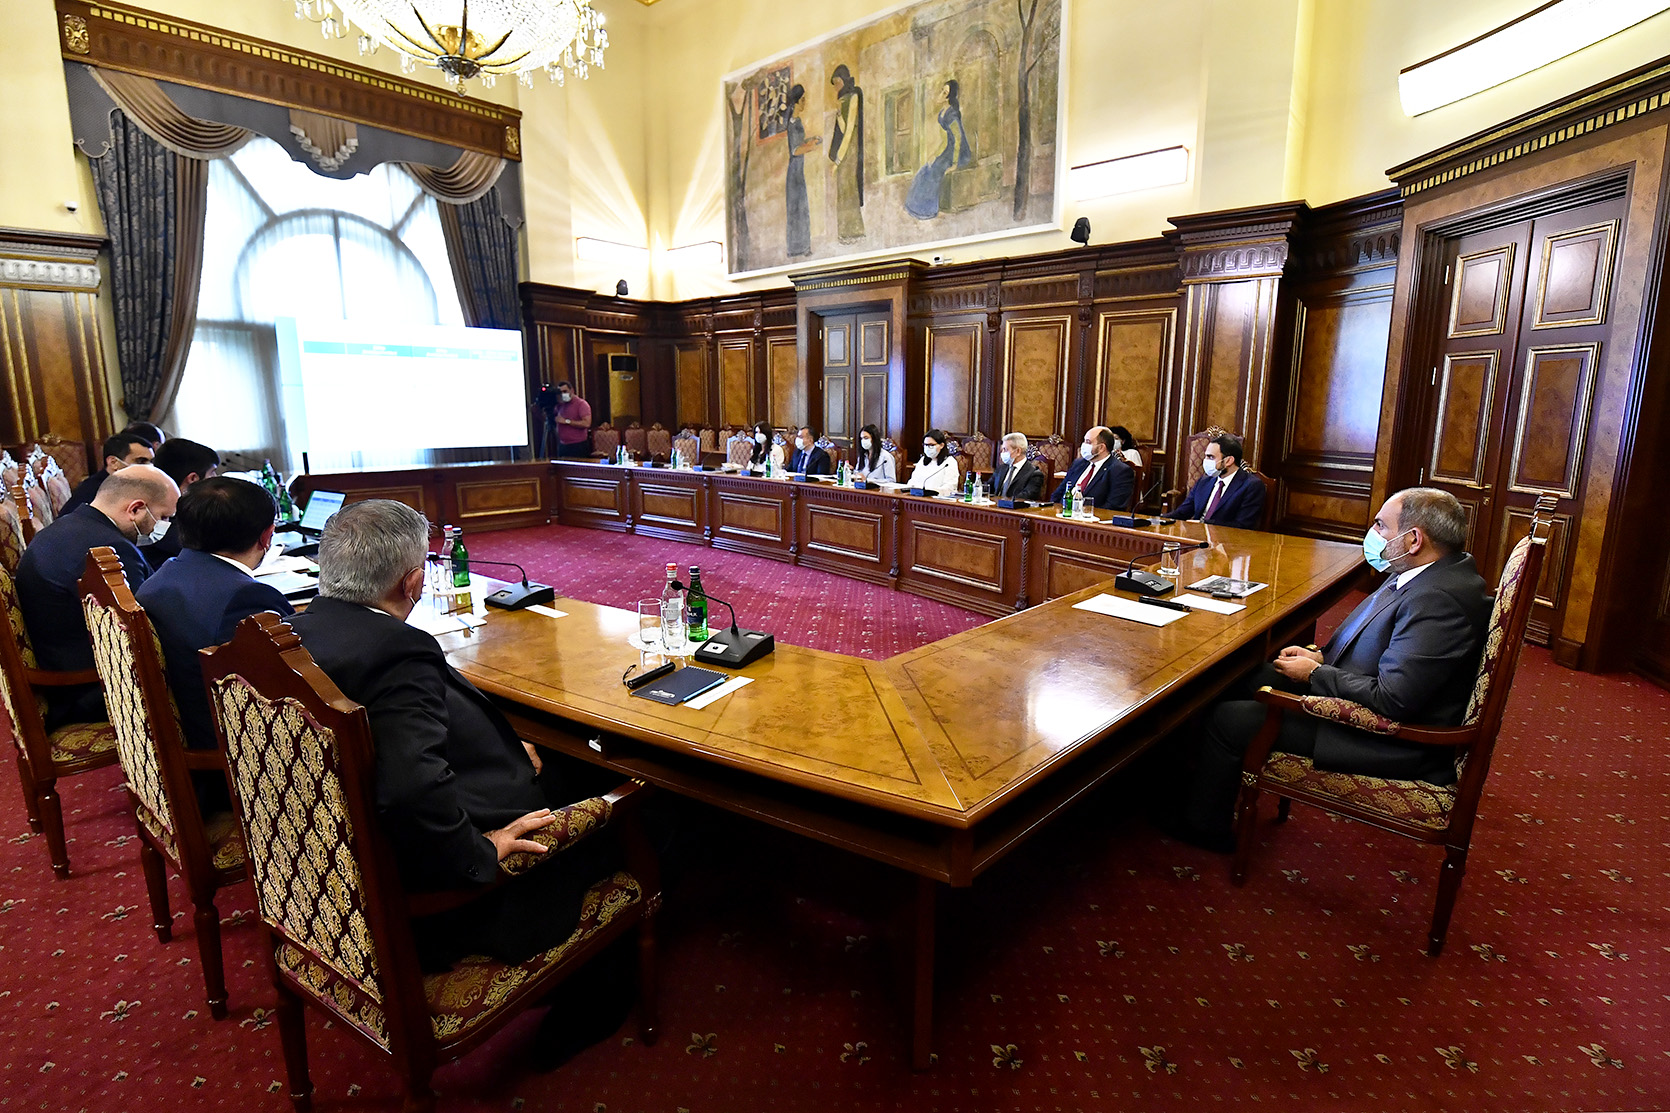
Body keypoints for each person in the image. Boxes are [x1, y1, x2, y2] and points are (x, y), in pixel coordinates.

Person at [285, 499, 618, 972]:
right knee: (634, 794)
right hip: (466, 895)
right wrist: (481, 852)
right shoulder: (395, 650)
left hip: (333, 866)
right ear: (413, 583)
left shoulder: (292, 634)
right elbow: (409, 790)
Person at [1167, 488, 1490, 852]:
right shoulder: (1429, 570)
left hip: (1389, 737)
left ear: (1414, 539)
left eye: (1381, 526)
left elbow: (1394, 699)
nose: (1373, 534)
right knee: (1247, 677)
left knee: (1229, 719)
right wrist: (1321, 657)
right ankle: (1194, 783)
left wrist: (1313, 674)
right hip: (1362, 689)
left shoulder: (1437, 600)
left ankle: (1205, 828)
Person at [136, 477, 292, 812]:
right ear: (267, 537)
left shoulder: (164, 574)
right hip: (235, 768)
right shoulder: (247, 597)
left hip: (180, 743)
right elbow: (293, 684)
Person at [16, 466, 178, 730]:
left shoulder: (67, 526)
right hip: (93, 689)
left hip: (66, 672)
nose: (166, 526)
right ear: (136, 509)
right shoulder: (108, 550)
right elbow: (146, 631)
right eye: (164, 517)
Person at [142, 438, 221, 566]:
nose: (215, 478)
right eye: (212, 472)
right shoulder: (168, 521)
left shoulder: (160, 509)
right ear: (193, 478)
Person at [905, 79, 973, 220]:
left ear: (949, 97)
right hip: (949, 149)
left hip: (959, 152)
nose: (941, 94)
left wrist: (954, 164)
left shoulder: (951, 114)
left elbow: (958, 139)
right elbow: (945, 140)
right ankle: (915, 206)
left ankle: (928, 210)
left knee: (934, 171)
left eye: (945, 92)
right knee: (926, 168)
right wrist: (935, 155)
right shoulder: (942, 113)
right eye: (942, 90)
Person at [1168, 432, 1266, 529]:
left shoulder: (1252, 486)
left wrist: (1203, 524)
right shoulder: (1204, 481)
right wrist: (1160, 519)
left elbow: (1243, 525)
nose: (1205, 461)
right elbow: (1182, 513)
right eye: (1206, 456)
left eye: (1211, 457)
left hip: (1226, 537)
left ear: (1229, 461)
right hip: (1196, 534)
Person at [59, 431, 154, 515]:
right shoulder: (92, 491)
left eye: (151, 461)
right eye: (141, 461)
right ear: (113, 463)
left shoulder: (136, 485)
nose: (149, 467)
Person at [1049, 427, 1134, 511]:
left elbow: (1113, 507)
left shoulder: (1120, 471)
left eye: (1088, 442)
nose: (1083, 445)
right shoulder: (1079, 464)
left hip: (1091, 517)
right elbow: (1058, 493)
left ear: (1101, 448)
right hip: (1063, 513)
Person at [827, 64, 865, 243]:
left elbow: (849, 131)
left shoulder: (854, 96)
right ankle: (844, 232)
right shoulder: (842, 100)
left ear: (843, 80)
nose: (835, 87)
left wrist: (838, 160)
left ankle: (854, 231)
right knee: (842, 191)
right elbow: (842, 129)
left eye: (837, 82)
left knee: (849, 190)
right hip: (844, 149)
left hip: (850, 151)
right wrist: (838, 115)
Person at [784, 85, 820, 257]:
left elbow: (800, 143)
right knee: (795, 210)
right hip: (794, 172)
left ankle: (804, 246)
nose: (805, 102)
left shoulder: (797, 121)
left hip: (799, 171)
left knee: (802, 208)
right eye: (803, 99)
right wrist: (810, 147)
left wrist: (810, 140)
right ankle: (795, 248)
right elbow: (795, 150)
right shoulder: (792, 123)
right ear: (796, 102)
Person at [990, 433, 1044, 501]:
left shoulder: (1034, 474)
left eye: (1005, 449)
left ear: (1018, 451)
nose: (1002, 453)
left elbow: (1027, 496)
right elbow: (988, 487)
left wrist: (1004, 502)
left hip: (1014, 507)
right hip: (994, 505)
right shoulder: (1001, 468)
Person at [549, 381, 593, 458]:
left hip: (578, 445)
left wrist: (567, 421)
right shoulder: (560, 405)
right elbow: (553, 419)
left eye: (565, 391)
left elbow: (586, 423)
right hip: (563, 445)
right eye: (560, 392)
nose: (563, 394)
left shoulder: (581, 404)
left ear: (572, 390)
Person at [911, 429, 961, 496]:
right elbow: (913, 481)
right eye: (925, 445)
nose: (927, 448)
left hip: (939, 499)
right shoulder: (922, 460)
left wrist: (931, 492)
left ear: (941, 445)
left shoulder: (949, 462)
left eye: (931, 445)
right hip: (918, 497)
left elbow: (950, 487)